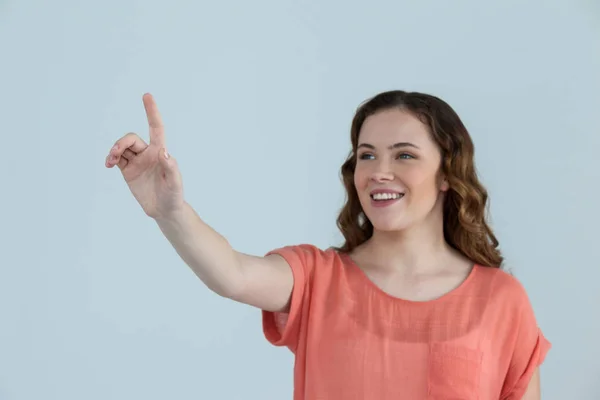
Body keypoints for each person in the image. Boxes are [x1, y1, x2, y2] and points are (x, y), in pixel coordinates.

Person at [105, 90, 551, 399]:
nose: (379, 170)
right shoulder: (319, 279)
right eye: (367, 154)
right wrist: (170, 211)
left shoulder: (501, 301)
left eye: (405, 154)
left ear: (448, 176)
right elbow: (232, 274)